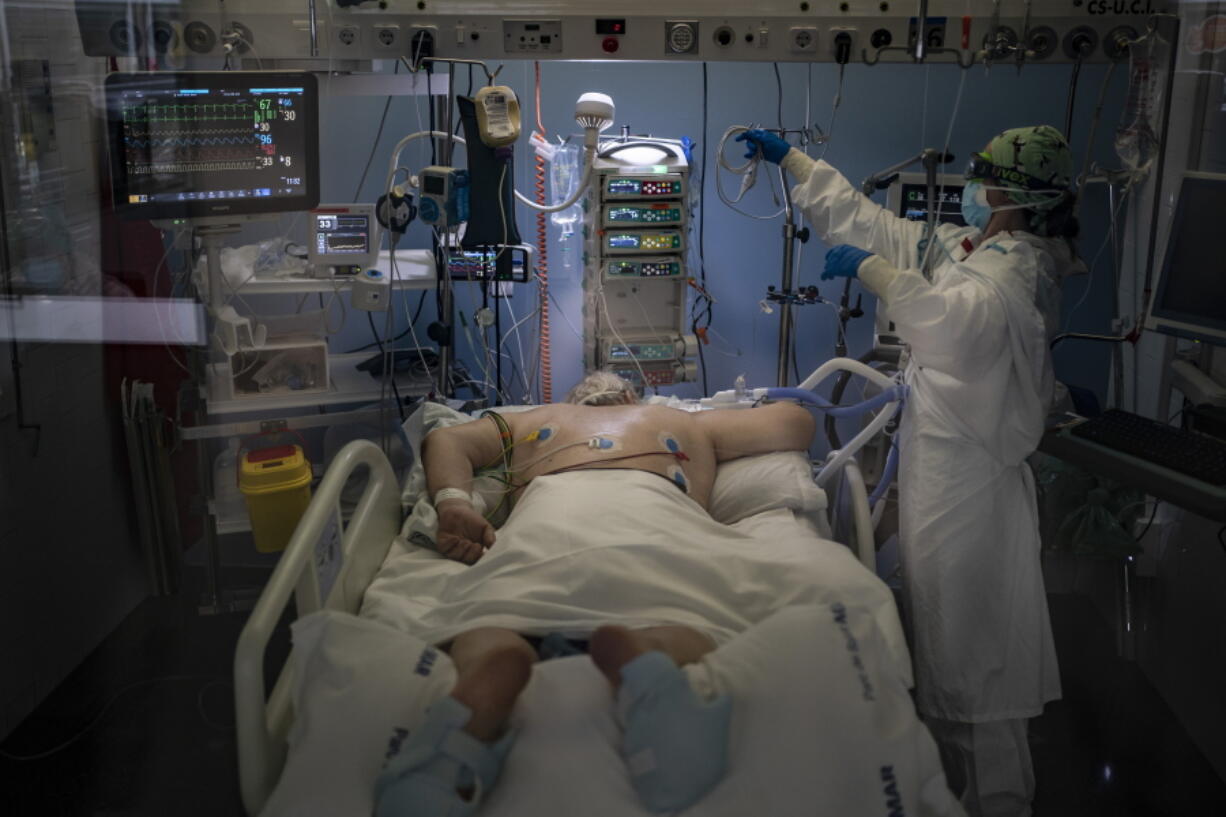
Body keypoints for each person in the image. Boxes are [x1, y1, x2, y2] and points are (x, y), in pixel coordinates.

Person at [737, 125, 1081, 817]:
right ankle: (952, 793)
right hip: (944, 479)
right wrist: (798, 164)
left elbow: (949, 325)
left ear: (1012, 196)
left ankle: (1001, 804)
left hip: (974, 492)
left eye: (984, 178)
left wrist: (877, 275)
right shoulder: (978, 249)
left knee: (979, 676)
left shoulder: (1013, 278)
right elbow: (884, 227)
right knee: (949, 664)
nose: (973, 194)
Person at [374, 372, 817, 817]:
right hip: (657, 522)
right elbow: (796, 424)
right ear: (631, 395)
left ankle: (490, 665)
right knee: (686, 614)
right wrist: (711, 415)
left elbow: (446, 439)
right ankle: (653, 652)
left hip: (550, 525)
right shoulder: (679, 421)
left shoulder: (536, 420)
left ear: (574, 399)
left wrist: (453, 502)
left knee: (493, 616)